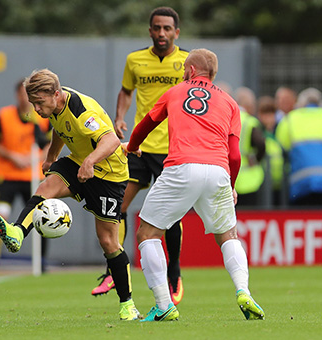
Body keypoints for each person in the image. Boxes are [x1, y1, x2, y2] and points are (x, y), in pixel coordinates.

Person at [124, 48, 265, 321]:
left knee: (147, 234)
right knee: (228, 235)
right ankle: (244, 291)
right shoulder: (230, 102)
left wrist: (133, 147)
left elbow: (145, 124)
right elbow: (234, 154)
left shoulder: (175, 91)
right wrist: (231, 185)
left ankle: (164, 305)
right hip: (218, 171)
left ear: (189, 71)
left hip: (181, 167)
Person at [0, 69, 140, 321]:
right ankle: (17, 232)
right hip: (80, 162)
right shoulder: (55, 108)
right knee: (44, 189)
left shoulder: (82, 110)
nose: (36, 109)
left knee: (108, 242)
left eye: (40, 102)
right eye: (33, 103)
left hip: (109, 174)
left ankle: (128, 304)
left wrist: (90, 162)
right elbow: (59, 129)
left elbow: (111, 141)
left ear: (56, 94)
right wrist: (51, 158)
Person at [94, 6, 189, 305]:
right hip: (139, 145)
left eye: (167, 29)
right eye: (157, 28)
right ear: (150, 31)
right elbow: (126, 91)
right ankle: (114, 268)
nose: (162, 33)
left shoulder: (187, 62)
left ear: (176, 32)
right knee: (118, 204)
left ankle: (174, 272)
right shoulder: (135, 60)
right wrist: (119, 117)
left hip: (172, 149)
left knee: (170, 214)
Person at [0, 80, 51, 276]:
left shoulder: (41, 116)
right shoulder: (4, 115)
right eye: (23, 93)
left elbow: (49, 143)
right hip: (7, 175)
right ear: (17, 95)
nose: (26, 98)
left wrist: (38, 157)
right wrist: (13, 156)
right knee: (0, 215)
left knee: (41, 217)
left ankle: (42, 262)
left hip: (33, 175)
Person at [275, 87, 322, 207]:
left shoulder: (289, 119)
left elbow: (281, 145)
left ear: (301, 103)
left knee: (305, 220)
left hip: (302, 184)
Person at [234, 87, 266, 207]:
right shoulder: (250, 121)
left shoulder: (228, 119)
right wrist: (256, 159)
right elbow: (261, 143)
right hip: (250, 177)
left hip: (230, 177)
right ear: (248, 104)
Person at [257, 96, 284, 206]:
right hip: (263, 182)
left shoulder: (279, 132)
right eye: (266, 114)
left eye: (271, 114)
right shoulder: (258, 133)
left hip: (279, 182)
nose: (269, 118)